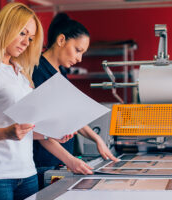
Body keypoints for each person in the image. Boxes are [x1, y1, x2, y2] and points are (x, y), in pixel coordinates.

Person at [0, 3, 90, 199]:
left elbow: (24, 130)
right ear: (5, 28)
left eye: (31, 38)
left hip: (27, 175)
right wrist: (6, 132)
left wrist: (49, 134)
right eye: (22, 33)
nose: (26, 42)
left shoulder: (21, 74)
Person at [32, 13, 119, 189]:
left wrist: (98, 140)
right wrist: (70, 161)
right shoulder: (37, 71)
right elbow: (38, 128)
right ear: (61, 40)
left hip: (61, 161)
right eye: (78, 50)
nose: (79, 58)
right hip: (42, 163)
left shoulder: (61, 73)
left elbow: (71, 116)